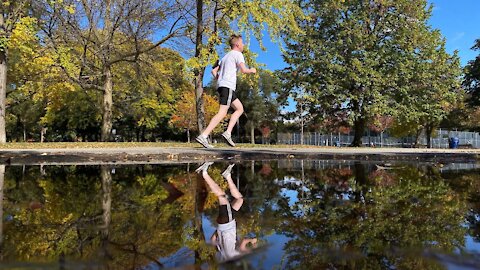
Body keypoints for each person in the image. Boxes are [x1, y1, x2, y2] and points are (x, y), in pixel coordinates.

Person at [196, 34, 257, 148]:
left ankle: (228, 133)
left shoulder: (225, 57)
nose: (243, 45)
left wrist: (220, 79)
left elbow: (214, 72)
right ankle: (204, 136)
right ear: (237, 44)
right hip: (228, 86)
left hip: (223, 86)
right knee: (222, 112)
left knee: (239, 108)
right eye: (242, 43)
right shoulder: (238, 54)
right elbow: (244, 70)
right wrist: (252, 70)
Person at [195, 162, 258, 262]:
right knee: (239, 200)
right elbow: (212, 240)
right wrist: (219, 231)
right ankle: (227, 175)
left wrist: (253, 243)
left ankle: (204, 173)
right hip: (223, 224)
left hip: (228, 223)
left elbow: (244, 243)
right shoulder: (223, 254)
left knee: (222, 196)